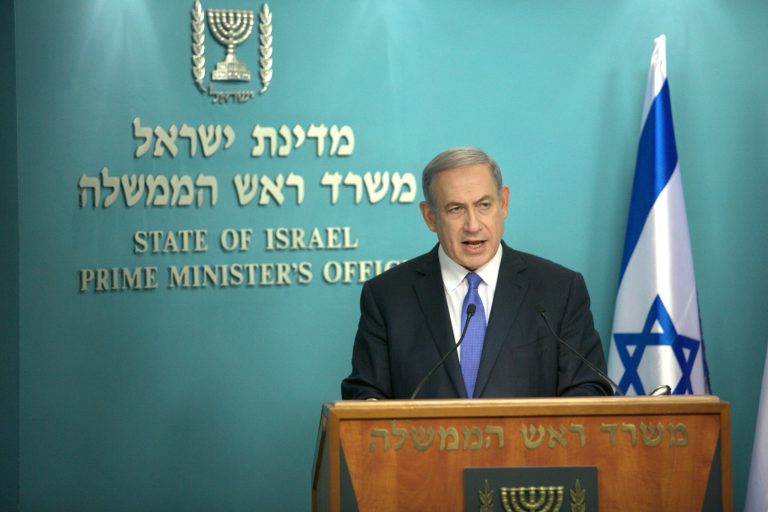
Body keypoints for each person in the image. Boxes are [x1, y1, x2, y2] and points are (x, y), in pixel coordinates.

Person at [341, 147, 611, 399]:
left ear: (503, 203)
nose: (473, 225)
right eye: (456, 209)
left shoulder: (559, 290)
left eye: (484, 205)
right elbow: (365, 395)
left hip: (531, 451)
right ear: (430, 217)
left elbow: (588, 388)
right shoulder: (387, 297)